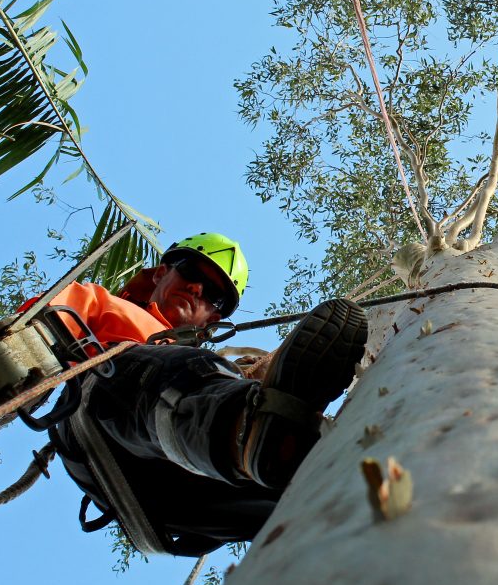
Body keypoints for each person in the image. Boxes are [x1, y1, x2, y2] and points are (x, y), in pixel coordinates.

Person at [32, 232, 368, 556]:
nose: (196, 288)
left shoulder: (204, 364)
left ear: (214, 317)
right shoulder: (104, 305)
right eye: (191, 272)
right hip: (106, 434)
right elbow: (33, 326)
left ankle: (348, 510)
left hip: (191, 486)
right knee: (172, 369)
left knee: (300, 499)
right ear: (161, 273)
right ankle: (247, 428)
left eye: (213, 295)